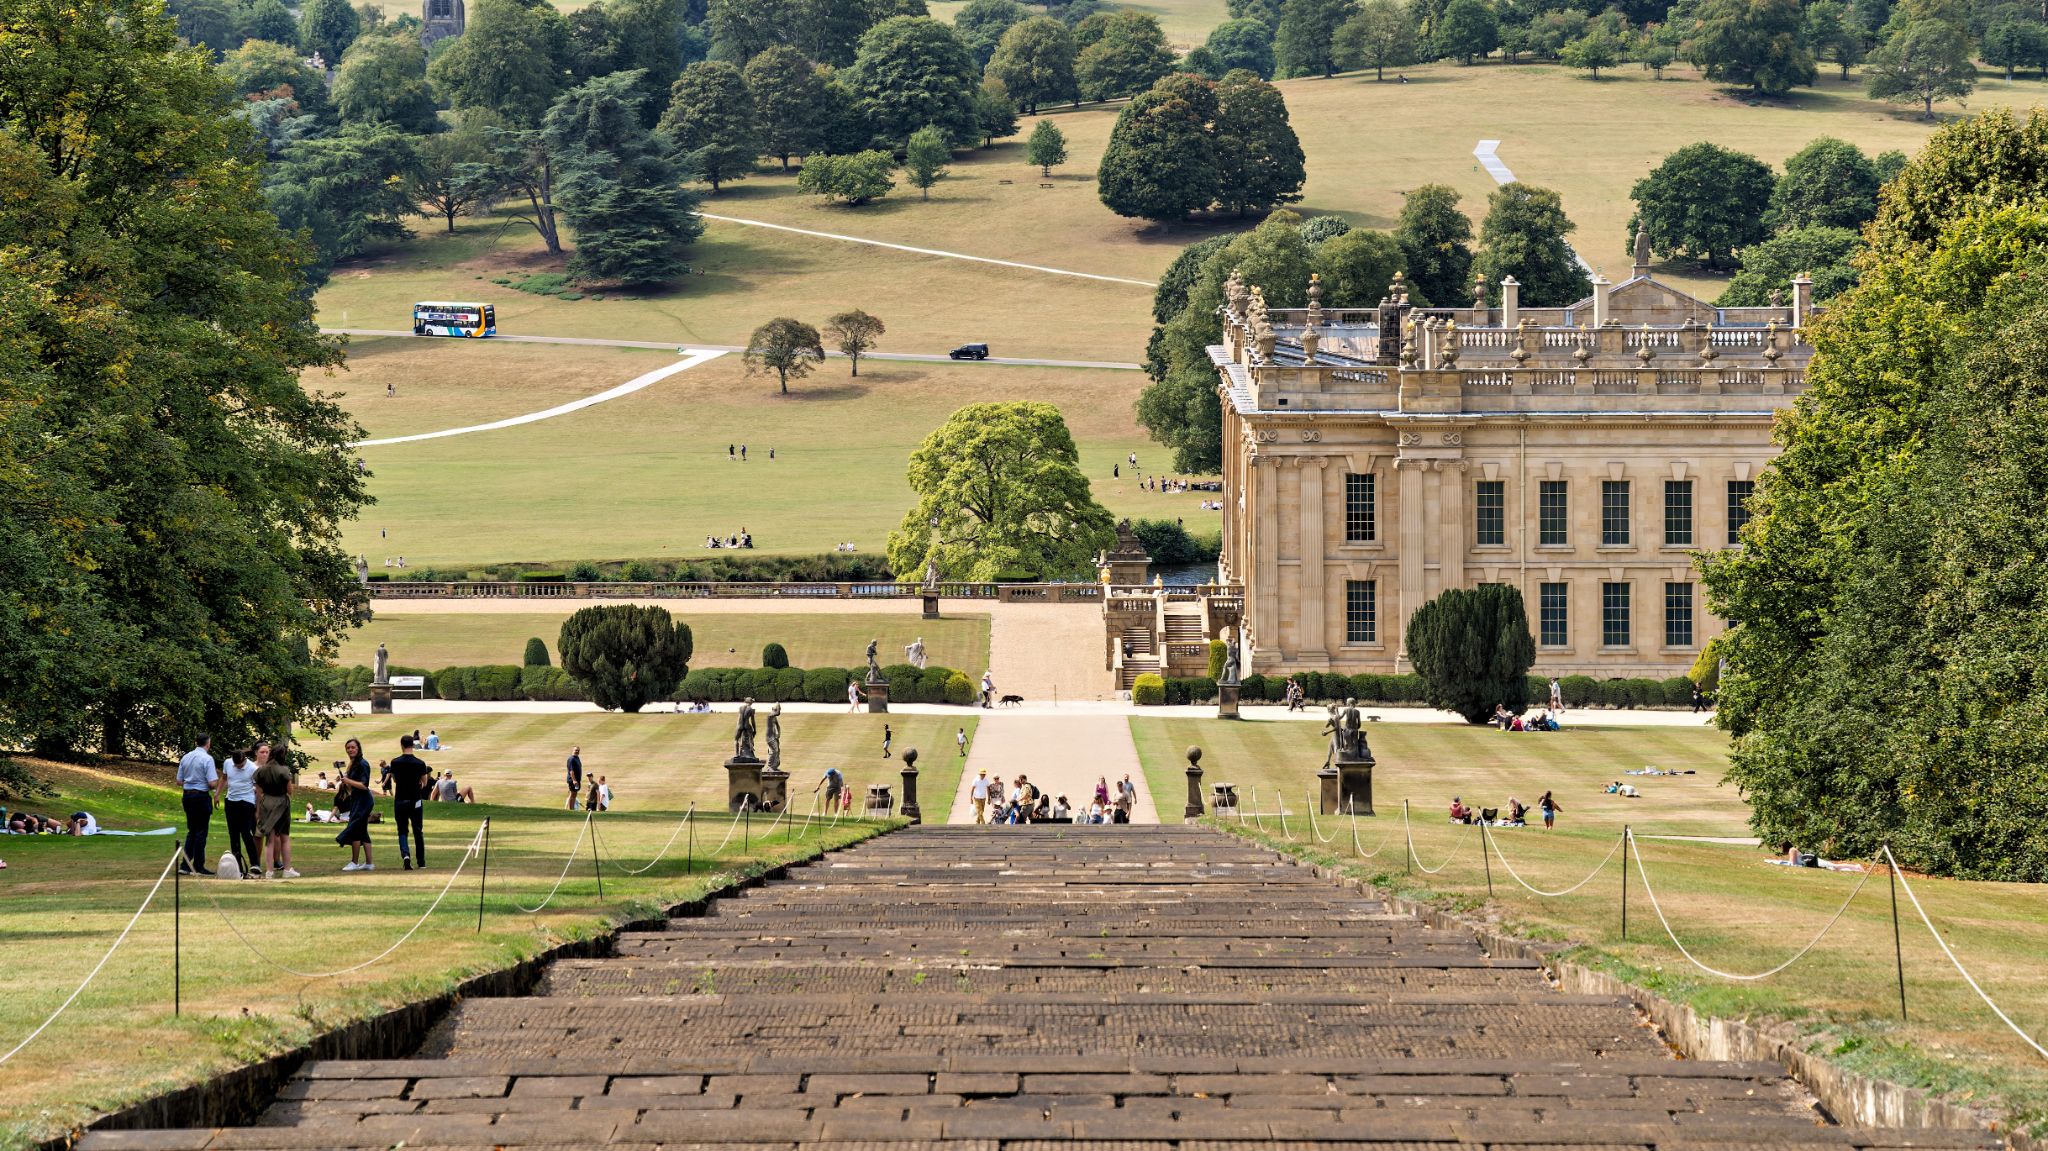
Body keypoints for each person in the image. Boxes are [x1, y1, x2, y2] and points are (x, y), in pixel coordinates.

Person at [385, 734, 432, 870]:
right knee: (418, 830)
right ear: (412, 745)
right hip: (415, 800)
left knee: (402, 830)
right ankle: (421, 861)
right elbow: (424, 782)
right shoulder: (420, 763)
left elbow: (394, 779)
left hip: (400, 799)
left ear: (402, 745)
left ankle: (405, 854)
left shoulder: (395, 762)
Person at [253, 741, 298, 879]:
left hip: (266, 803)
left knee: (270, 840)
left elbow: (259, 792)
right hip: (281, 804)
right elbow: (290, 791)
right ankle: (287, 869)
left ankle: (269, 871)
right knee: (284, 837)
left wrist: (258, 810)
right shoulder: (284, 770)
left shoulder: (261, 770)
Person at [175, 735, 220, 876]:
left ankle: (185, 865)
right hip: (201, 796)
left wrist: (191, 781)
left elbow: (179, 780)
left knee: (192, 831)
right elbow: (212, 782)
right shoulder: (207, 759)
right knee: (201, 832)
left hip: (187, 795)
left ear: (196, 742)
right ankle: (198, 866)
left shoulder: (186, 757)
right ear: (208, 743)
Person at [335, 738, 376, 872]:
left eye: (353, 747)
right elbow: (352, 785)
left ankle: (354, 862)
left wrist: (348, 781)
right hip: (357, 800)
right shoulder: (353, 764)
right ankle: (369, 863)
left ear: (358, 748)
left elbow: (364, 785)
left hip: (363, 801)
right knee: (362, 830)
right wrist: (346, 781)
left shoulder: (363, 764)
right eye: (348, 748)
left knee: (355, 829)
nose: (350, 750)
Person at [221, 747, 261, 879]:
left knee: (246, 833)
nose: (238, 767)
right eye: (236, 765)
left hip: (246, 801)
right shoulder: (228, 763)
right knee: (233, 834)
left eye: (240, 765)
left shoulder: (252, 768)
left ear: (244, 760)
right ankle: (236, 863)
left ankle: (255, 863)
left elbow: (259, 790)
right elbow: (224, 778)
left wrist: (257, 809)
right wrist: (217, 794)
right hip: (231, 801)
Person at [565, 746, 584, 811]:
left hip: (577, 780)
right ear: (572, 750)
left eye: (578, 750)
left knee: (574, 795)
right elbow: (571, 771)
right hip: (573, 780)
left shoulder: (577, 758)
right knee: (572, 794)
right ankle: (571, 809)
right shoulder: (571, 759)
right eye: (576, 750)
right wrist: (574, 780)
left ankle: (572, 809)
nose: (577, 751)